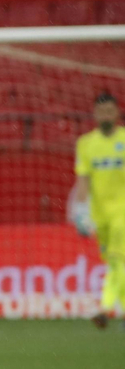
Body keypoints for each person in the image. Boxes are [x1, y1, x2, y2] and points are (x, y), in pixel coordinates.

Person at [72, 92, 125, 327]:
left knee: (118, 259)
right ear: (95, 114)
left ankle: (105, 308)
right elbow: (83, 180)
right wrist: (81, 210)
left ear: (117, 113)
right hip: (100, 214)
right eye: (102, 111)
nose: (106, 115)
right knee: (115, 263)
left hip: (122, 212)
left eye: (110, 111)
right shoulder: (85, 144)